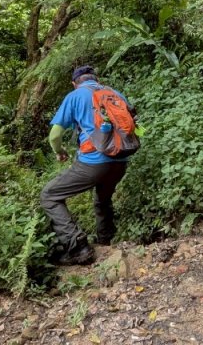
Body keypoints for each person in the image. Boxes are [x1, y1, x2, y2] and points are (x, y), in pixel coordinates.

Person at [40, 65, 131, 265]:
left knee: (49, 195)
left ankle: (78, 247)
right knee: (102, 199)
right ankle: (105, 243)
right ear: (96, 79)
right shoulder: (115, 93)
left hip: (94, 163)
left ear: (75, 83)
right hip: (121, 161)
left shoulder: (75, 96)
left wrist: (59, 151)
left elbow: (54, 135)